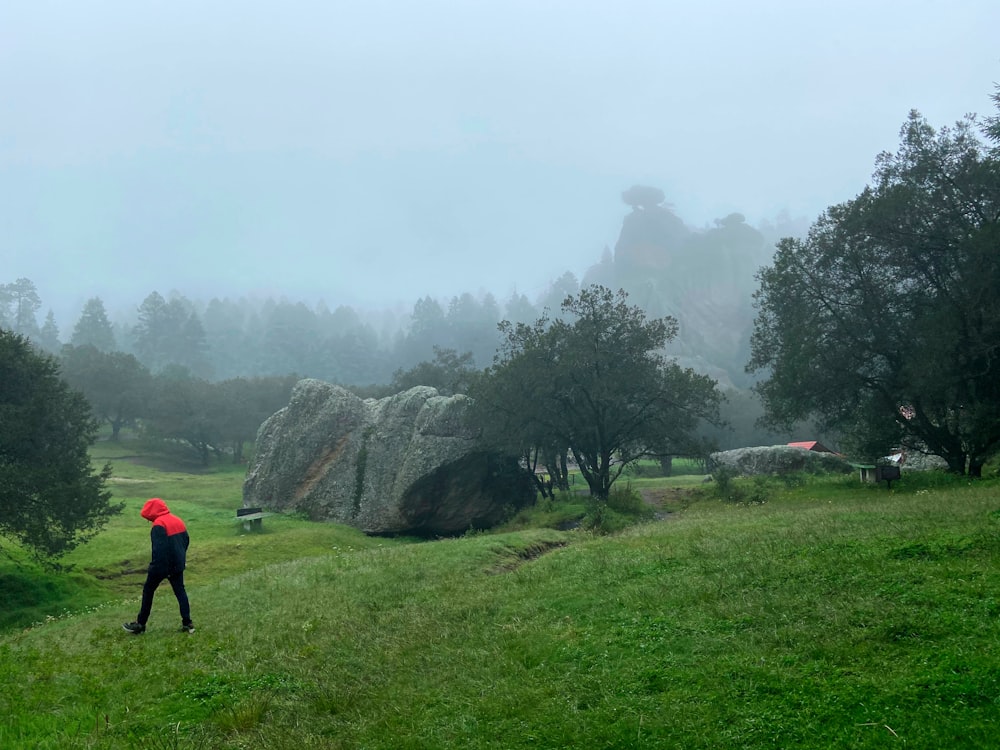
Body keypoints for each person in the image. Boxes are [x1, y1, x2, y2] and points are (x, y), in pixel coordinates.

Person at [123, 498, 194, 634]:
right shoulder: (177, 520)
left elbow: (159, 550)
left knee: (148, 591)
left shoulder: (159, 525)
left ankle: (140, 624)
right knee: (180, 591)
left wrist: (155, 567)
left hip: (162, 566)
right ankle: (188, 623)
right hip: (178, 564)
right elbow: (186, 541)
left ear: (152, 512)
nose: (148, 520)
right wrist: (180, 558)